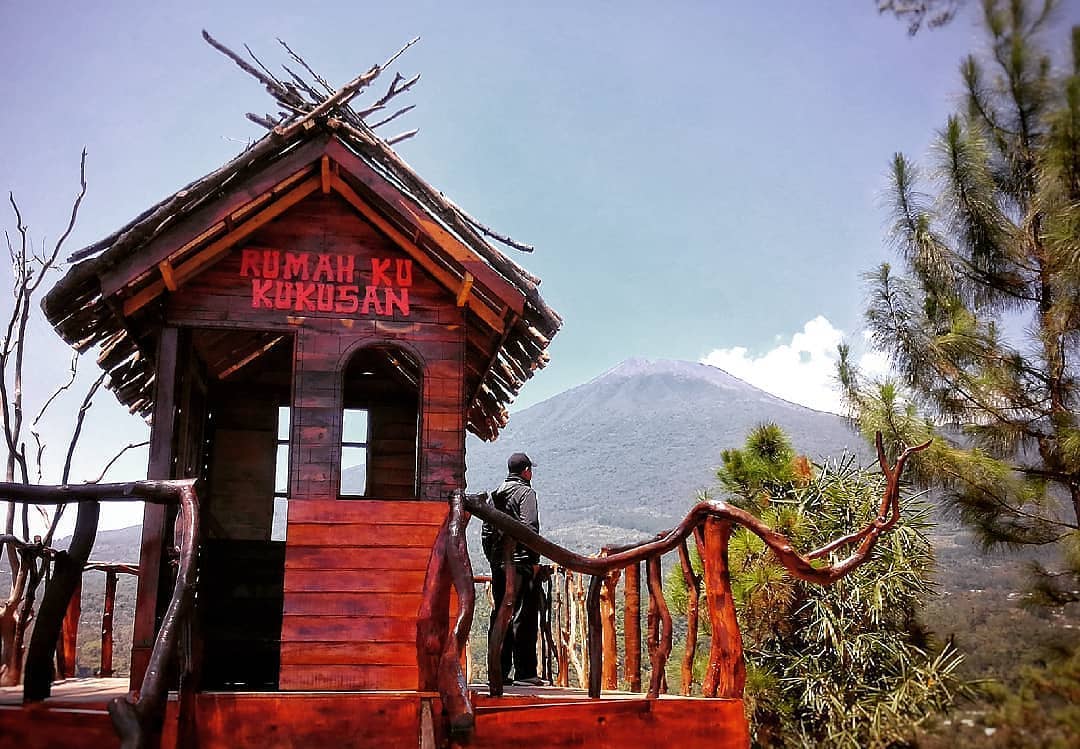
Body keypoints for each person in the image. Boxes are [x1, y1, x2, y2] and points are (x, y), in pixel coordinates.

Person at [482, 452, 543, 686]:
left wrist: (494, 559)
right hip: (521, 564)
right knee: (524, 617)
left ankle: (498, 672)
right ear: (526, 470)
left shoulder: (495, 495)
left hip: (499, 565)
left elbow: (486, 532)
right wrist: (533, 560)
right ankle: (525, 673)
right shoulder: (525, 492)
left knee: (500, 614)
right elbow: (530, 528)